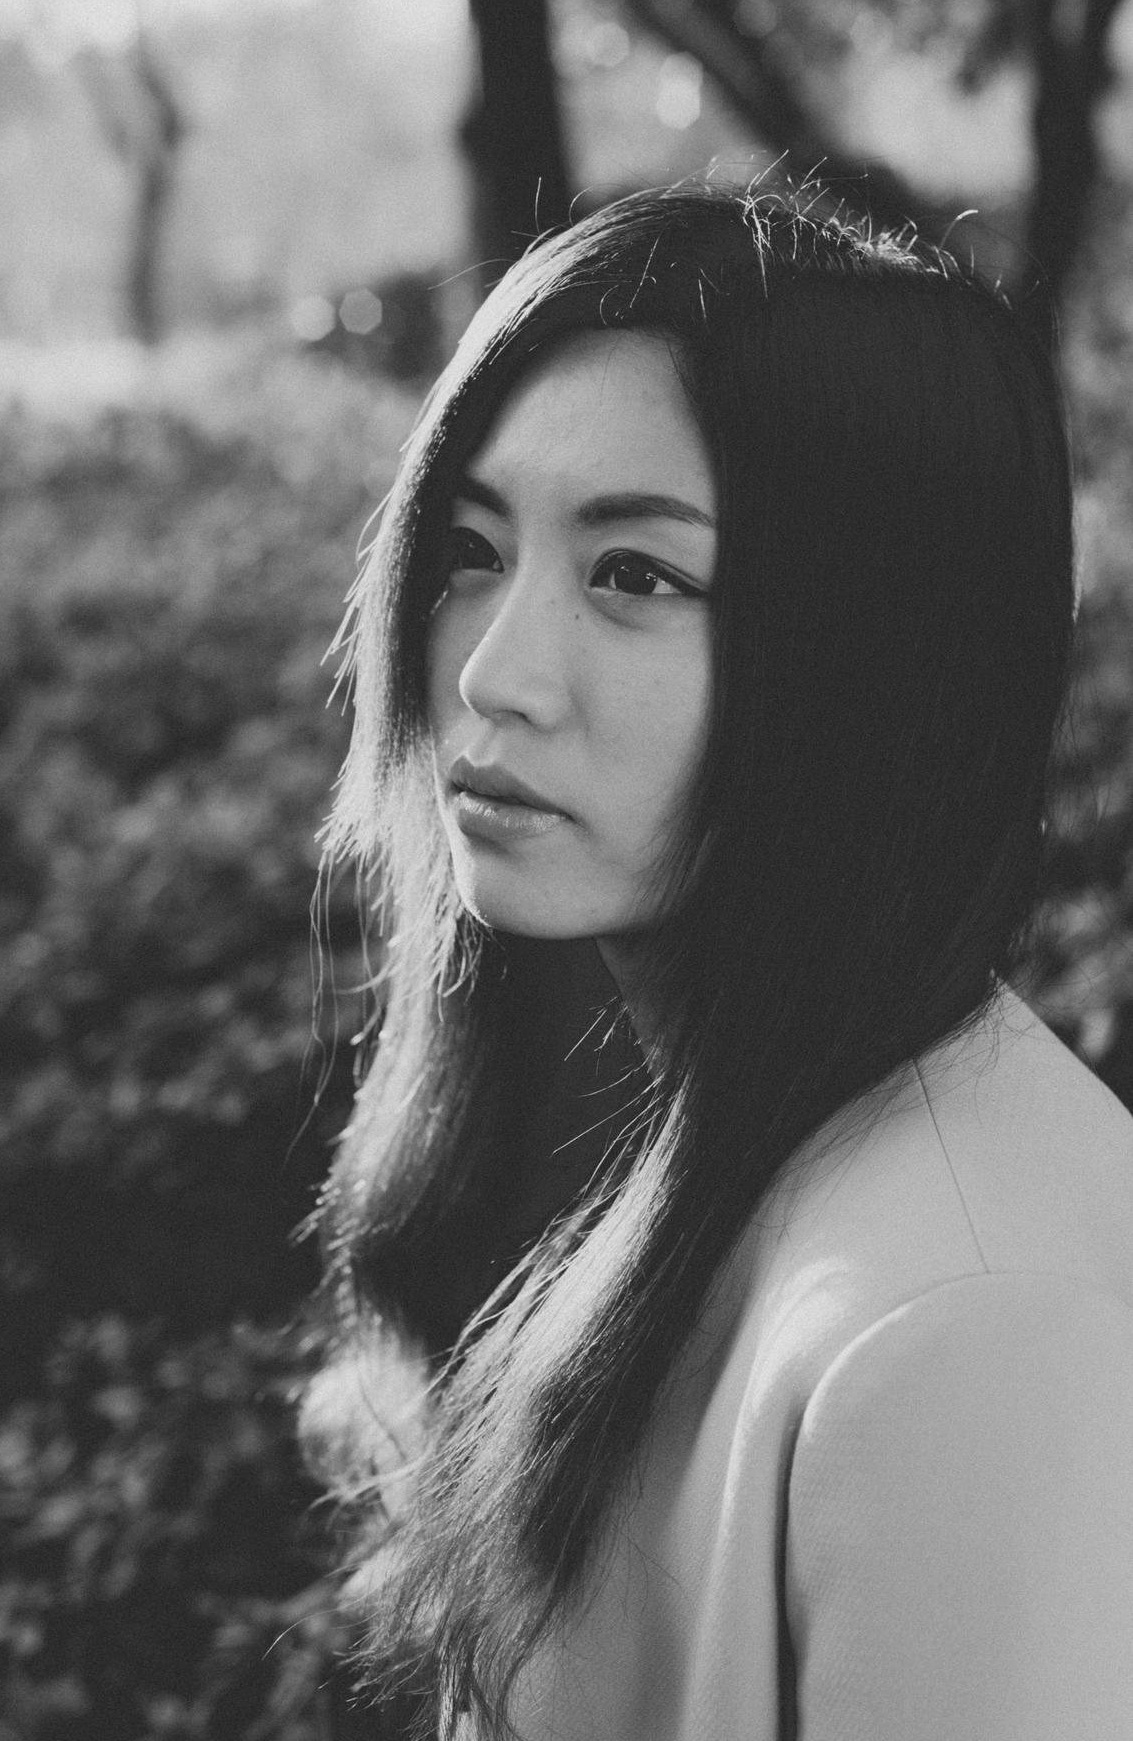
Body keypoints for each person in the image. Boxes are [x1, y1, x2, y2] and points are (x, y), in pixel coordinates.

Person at [299, 182, 1133, 1741]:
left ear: (881, 658)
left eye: (636, 576)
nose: (493, 674)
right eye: (470, 549)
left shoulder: (971, 1331)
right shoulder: (721, 1139)